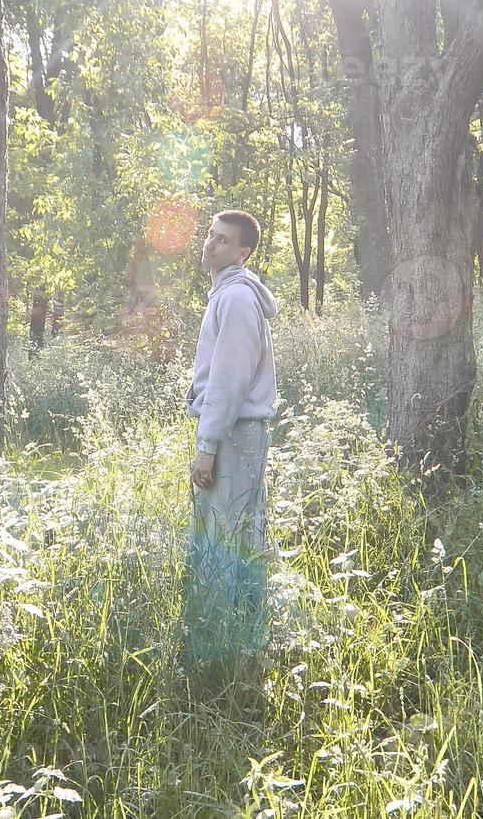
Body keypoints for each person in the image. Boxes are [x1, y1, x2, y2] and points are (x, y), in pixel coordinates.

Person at [182, 209, 279, 664]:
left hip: (235, 435)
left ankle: (225, 646)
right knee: (231, 532)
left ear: (242, 252)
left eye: (222, 240)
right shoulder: (227, 294)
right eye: (210, 235)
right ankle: (234, 638)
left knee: (226, 534)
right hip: (233, 433)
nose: (210, 244)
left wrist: (207, 446)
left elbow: (228, 379)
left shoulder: (237, 299)